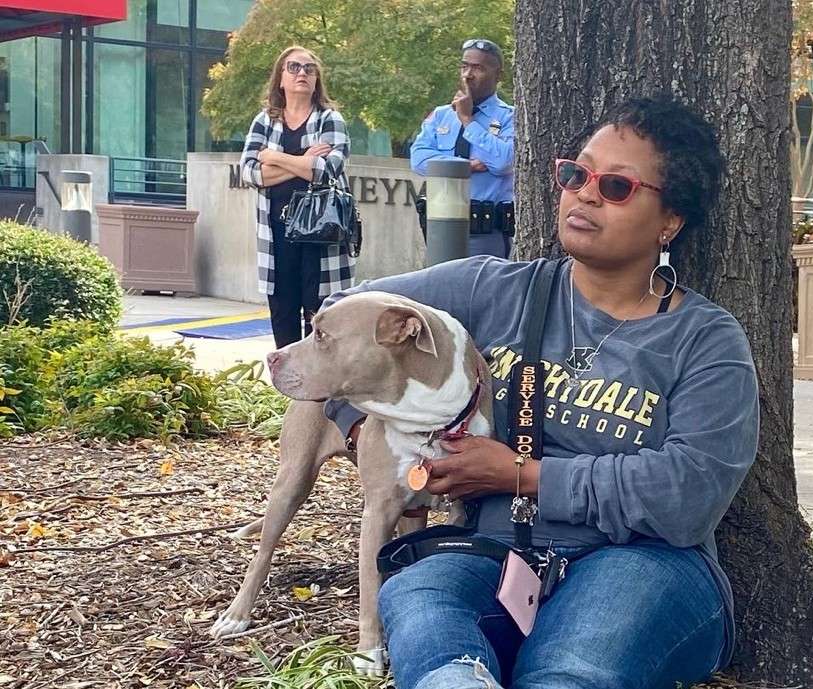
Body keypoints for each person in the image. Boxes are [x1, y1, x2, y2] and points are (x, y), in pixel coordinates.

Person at [324, 98, 759, 688]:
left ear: (670, 221)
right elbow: (339, 320)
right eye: (576, 174)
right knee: (421, 604)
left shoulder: (704, 338)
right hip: (492, 554)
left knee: (573, 670)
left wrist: (520, 476)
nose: (584, 194)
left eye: (616, 186)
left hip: (642, 562)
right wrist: (364, 428)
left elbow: (688, 495)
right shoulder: (490, 288)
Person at [239, 46, 352, 348]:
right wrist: (303, 161)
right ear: (280, 78)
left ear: (317, 80)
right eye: (294, 67)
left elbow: (326, 170)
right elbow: (250, 173)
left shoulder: (331, 119)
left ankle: (318, 393)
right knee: (282, 314)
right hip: (277, 233)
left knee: (320, 318)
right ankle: (288, 391)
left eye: (309, 68)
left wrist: (272, 157)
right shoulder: (264, 121)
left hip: (321, 234)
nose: (302, 73)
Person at [411, 39, 515, 258]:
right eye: (464, 66)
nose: (468, 74)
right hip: (441, 229)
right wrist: (464, 167)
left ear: (498, 76)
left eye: (478, 68)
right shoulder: (442, 114)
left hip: (485, 232)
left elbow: (504, 162)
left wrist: (468, 121)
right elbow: (418, 159)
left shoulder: (509, 117)